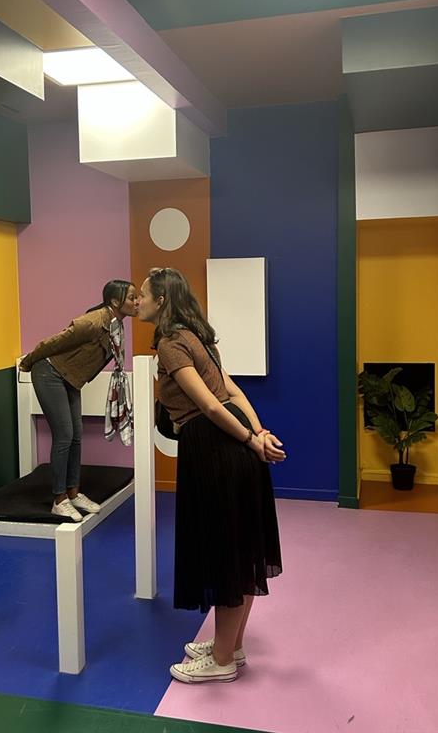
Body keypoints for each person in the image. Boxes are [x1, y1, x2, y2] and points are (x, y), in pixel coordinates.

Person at [137, 267, 286, 684]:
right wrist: (257, 433)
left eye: (143, 295)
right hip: (233, 444)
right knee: (241, 549)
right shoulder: (198, 336)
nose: (138, 301)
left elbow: (211, 406)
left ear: (161, 301)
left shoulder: (171, 343)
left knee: (226, 552)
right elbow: (232, 392)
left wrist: (252, 439)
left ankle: (221, 662)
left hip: (214, 449)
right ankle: (229, 646)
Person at [19, 280, 138, 521]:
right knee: (64, 434)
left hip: (70, 377)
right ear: (115, 302)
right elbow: (53, 342)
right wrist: (28, 362)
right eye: (132, 298)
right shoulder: (93, 321)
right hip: (49, 372)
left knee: (75, 434)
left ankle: (73, 494)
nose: (137, 302)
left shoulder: (116, 325)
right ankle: (59, 500)